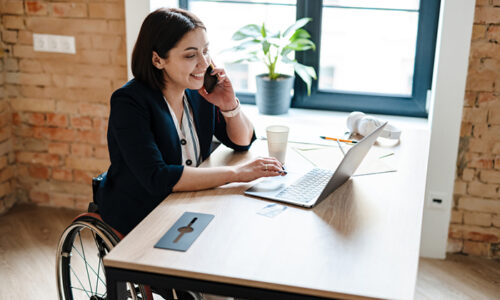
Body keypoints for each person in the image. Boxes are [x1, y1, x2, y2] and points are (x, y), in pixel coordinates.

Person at [97, 8, 285, 239]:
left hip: (189, 204)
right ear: (158, 59)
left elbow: (241, 141)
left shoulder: (198, 91)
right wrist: (237, 173)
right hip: (144, 212)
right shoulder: (129, 102)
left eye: (206, 51)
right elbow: (157, 177)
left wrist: (228, 104)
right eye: (190, 55)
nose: (204, 63)